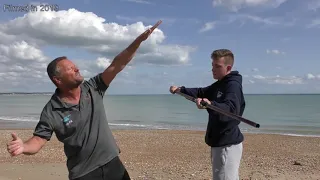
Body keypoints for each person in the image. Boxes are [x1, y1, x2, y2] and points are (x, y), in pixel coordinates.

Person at [6, 20, 162, 180]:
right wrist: (24, 146)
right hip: (84, 173)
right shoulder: (51, 110)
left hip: (113, 163)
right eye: (70, 69)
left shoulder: (93, 87)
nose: (77, 69)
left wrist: (138, 41)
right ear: (57, 80)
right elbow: (39, 140)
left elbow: (117, 65)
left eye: (75, 66)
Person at [170, 49, 246, 180]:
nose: (213, 69)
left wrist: (210, 104)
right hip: (219, 142)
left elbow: (231, 109)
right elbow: (201, 92)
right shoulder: (219, 84)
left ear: (228, 67)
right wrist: (180, 90)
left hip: (227, 145)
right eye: (212, 65)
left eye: (218, 66)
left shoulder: (232, 86)